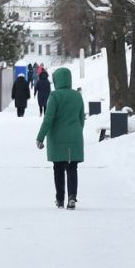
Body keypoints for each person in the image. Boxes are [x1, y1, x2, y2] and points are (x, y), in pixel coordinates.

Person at [35, 67, 84, 209]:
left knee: (58, 168)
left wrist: (40, 137)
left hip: (57, 137)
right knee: (72, 168)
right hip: (75, 137)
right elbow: (81, 118)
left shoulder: (55, 96)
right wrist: (76, 131)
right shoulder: (77, 96)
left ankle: (60, 199)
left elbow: (48, 119)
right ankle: (72, 197)